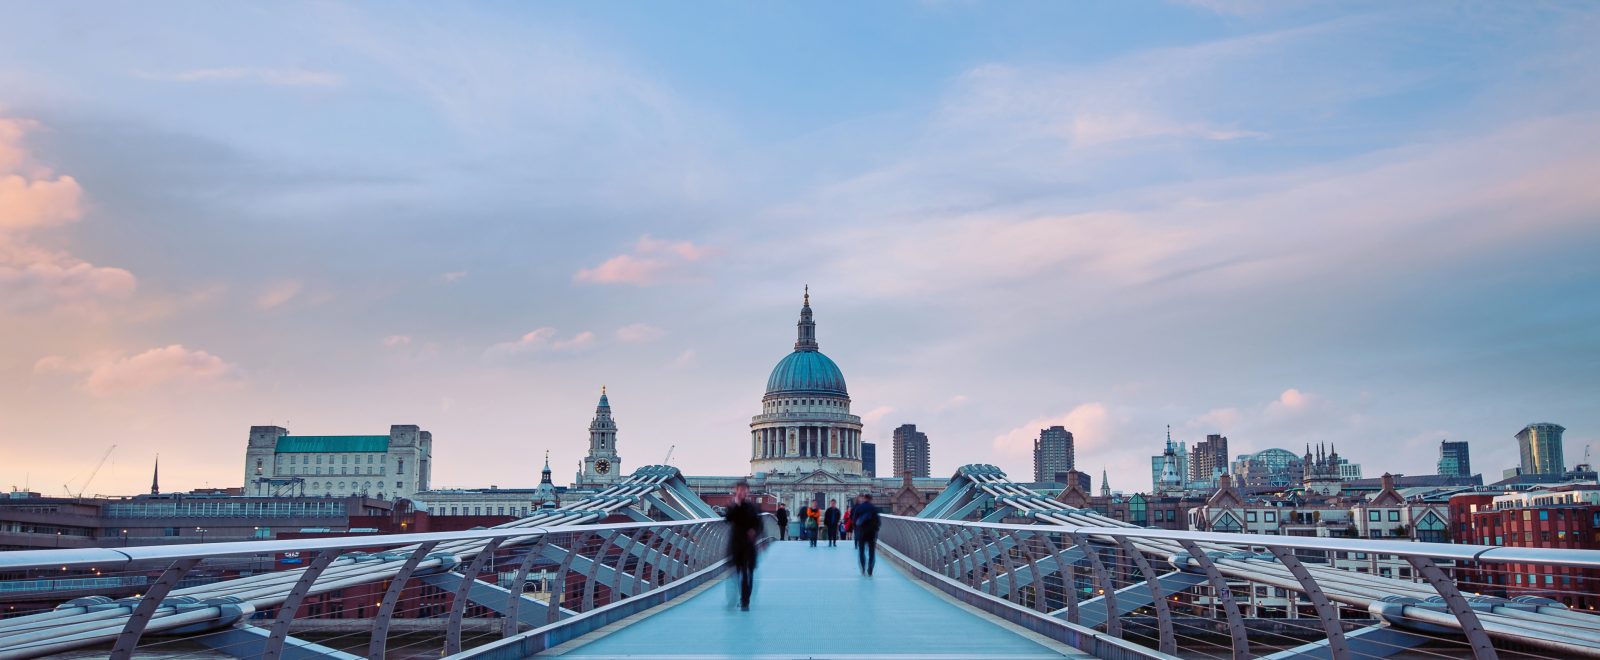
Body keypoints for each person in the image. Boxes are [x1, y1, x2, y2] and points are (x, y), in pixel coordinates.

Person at [724, 481, 762, 610]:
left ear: (748, 492)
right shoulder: (732, 505)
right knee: (738, 572)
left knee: (747, 573)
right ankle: (741, 597)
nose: (742, 492)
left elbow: (759, 524)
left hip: (749, 546)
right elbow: (728, 519)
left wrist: (754, 531)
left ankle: (745, 600)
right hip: (736, 545)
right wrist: (737, 504)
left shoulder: (753, 507)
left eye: (744, 490)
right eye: (740, 490)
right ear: (736, 491)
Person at [851, 493, 881, 576]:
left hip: (861, 532)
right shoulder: (874, 509)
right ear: (871, 499)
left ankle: (863, 568)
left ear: (864, 499)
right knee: (871, 551)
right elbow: (878, 522)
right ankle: (870, 569)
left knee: (861, 551)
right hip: (872, 533)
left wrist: (856, 529)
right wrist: (876, 529)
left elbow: (854, 520)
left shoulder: (859, 508)